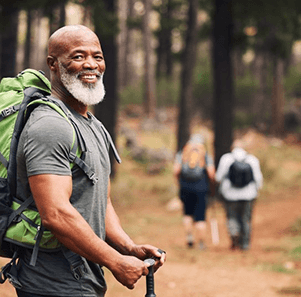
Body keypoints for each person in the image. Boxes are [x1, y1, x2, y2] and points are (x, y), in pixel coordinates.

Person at [14, 25, 166, 297]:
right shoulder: (49, 125)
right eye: (78, 56)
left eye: (97, 56)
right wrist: (114, 261)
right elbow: (56, 214)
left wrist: (128, 248)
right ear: (53, 64)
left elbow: (99, 200)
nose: (91, 64)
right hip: (51, 285)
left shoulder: (92, 125)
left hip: (83, 281)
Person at [215, 140, 263, 251]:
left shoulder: (226, 158)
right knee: (246, 219)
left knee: (232, 217)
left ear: (232, 147)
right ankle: (245, 244)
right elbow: (258, 178)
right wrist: (257, 191)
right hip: (249, 195)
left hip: (230, 195)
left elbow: (218, 177)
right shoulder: (252, 159)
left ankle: (234, 234)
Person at [173, 134, 216, 249]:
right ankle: (201, 243)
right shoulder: (205, 155)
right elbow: (211, 173)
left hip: (185, 187)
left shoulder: (183, 154)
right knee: (200, 217)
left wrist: (179, 182)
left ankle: (189, 237)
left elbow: (176, 170)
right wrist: (212, 185)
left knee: (187, 214)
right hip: (201, 189)